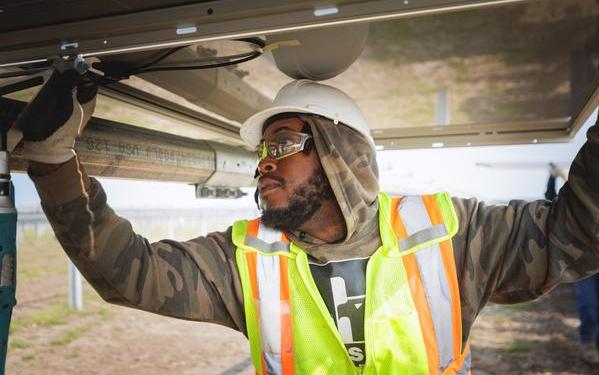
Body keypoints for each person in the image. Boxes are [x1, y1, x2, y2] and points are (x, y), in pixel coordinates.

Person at [22, 73, 599, 374]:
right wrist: (51, 162)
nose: (264, 163)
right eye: (262, 153)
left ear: (340, 156)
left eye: (284, 143)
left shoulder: (453, 234)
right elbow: (129, 273)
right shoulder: (243, 259)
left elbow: (575, 232)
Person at [545, 164, 599, 365]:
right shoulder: (577, 201)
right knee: (589, 303)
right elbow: (551, 202)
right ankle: (588, 344)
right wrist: (553, 177)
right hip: (583, 264)